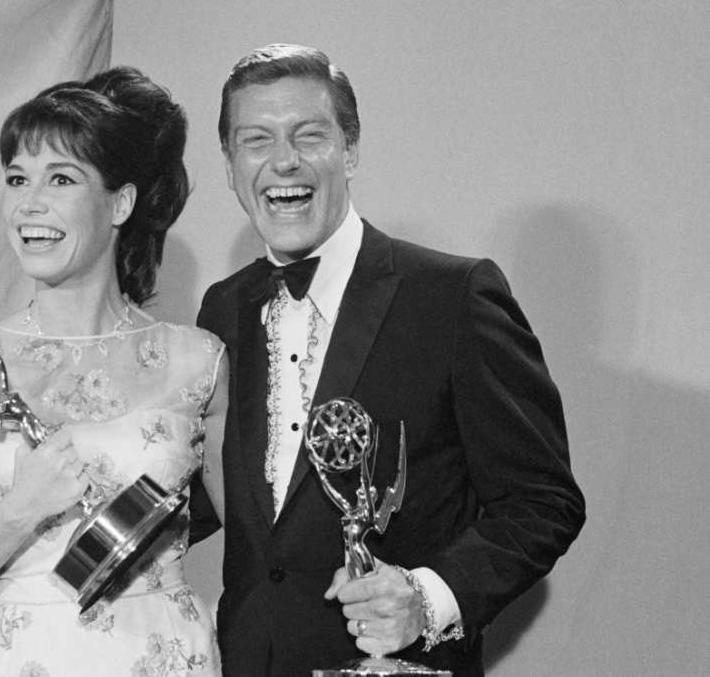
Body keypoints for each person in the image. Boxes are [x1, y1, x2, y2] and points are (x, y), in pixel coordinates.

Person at [189, 44, 585, 677]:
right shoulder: (222, 310)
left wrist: (428, 598)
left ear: (349, 150)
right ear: (230, 165)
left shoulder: (453, 297)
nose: (282, 161)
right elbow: (207, 496)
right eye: (255, 140)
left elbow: (542, 502)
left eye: (308, 135)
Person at [0, 66, 228, 677]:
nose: (30, 203)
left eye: (60, 178)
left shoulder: (198, 362)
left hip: (162, 653)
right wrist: (20, 508)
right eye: (17, 179)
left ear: (120, 202)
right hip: (25, 657)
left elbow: (264, 547)